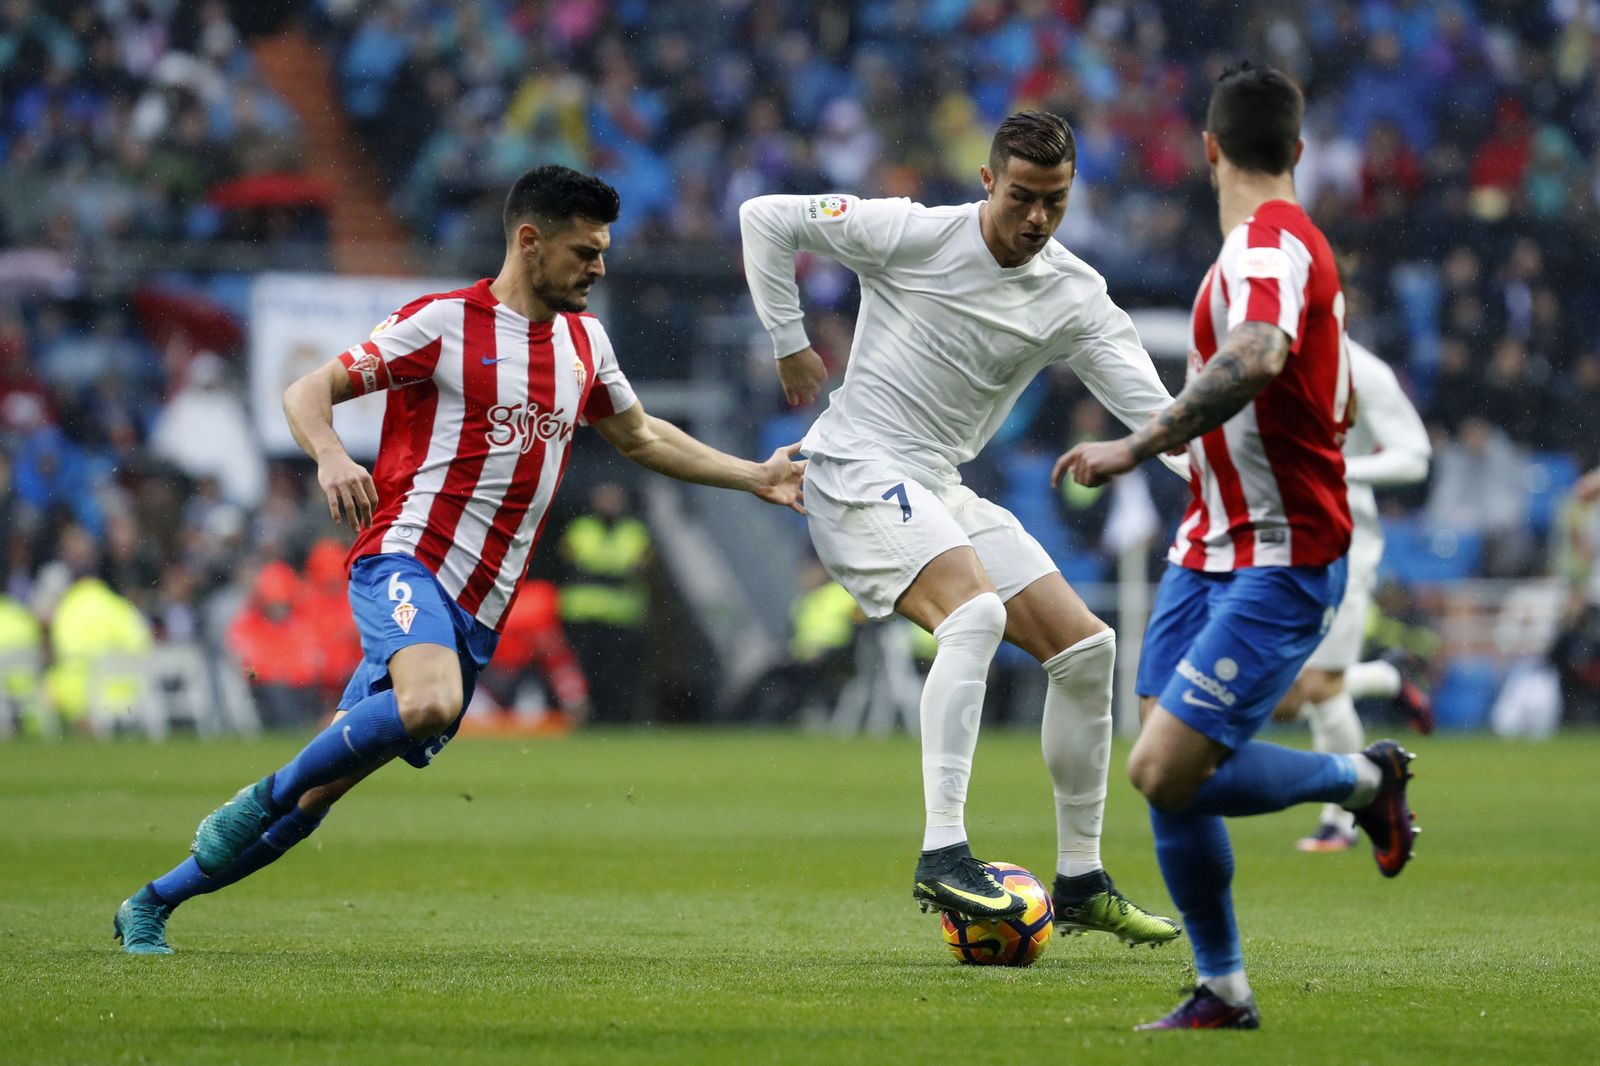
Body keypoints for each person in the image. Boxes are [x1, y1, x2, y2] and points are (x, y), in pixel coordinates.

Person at [114, 165, 806, 954]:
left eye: (603, 252)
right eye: (585, 252)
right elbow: (307, 390)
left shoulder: (584, 342)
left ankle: (151, 903)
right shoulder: (443, 325)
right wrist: (332, 456)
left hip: (479, 609)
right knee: (429, 703)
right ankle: (261, 792)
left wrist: (755, 476)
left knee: (318, 797)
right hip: (405, 559)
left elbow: (642, 436)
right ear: (530, 240)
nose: (599, 268)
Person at [739, 110, 1181, 945]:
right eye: (1022, 197)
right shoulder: (914, 234)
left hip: (938, 484)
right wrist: (788, 341)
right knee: (974, 614)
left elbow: (1160, 415)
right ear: (988, 182)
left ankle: (1081, 880)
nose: (1038, 218)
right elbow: (765, 217)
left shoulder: (1074, 295)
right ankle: (943, 852)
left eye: (1055, 201)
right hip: (855, 468)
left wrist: (1234, 489)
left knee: (1088, 650)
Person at [1057, 63, 1420, 1030]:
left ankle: (1365, 780)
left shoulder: (1268, 245)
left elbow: (1257, 353)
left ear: (1208, 149)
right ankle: (1222, 988)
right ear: (1297, 150)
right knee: (1166, 773)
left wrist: (1139, 443)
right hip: (1207, 546)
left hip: (1282, 552)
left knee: (1162, 770)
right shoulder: (1268, 245)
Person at [1271, 339, 1433, 852]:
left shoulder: (1362, 369)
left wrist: (1340, 468)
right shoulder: (1258, 351)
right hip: (1271, 539)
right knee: (1283, 700)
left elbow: (1415, 457)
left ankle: (1340, 821)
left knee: (1319, 686)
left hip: (1343, 541)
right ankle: (1387, 676)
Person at [558, 481, 651, 722]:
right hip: (583, 615)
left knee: (617, 675)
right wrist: (615, 571)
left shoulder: (635, 531)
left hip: (621, 617)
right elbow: (568, 560)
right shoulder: (580, 528)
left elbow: (642, 566)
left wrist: (596, 570)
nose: (610, 504)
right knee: (582, 672)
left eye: (614, 499)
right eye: (605, 499)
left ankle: (615, 719)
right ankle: (584, 718)